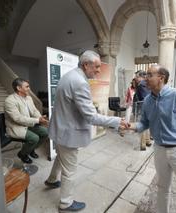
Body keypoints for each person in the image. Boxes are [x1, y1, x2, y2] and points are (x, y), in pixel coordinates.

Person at [45, 50, 128, 212]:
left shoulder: (70, 76)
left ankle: (51, 180)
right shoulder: (80, 82)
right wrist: (117, 121)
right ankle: (65, 203)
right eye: (96, 67)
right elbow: (91, 117)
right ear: (85, 65)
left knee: (60, 157)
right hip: (68, 132)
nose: (99, 70)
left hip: (60, 129)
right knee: (69, 170)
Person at [128, 65, 176, 213]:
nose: (146, 78)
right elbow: (144, 123)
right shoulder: (147, 101)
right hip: (159, 150)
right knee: (162, 188)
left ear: (161, 78)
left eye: (150, 75)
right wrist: (129, 126)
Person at [4, 78, 49, 164]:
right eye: (27, 86)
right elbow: (18, 119)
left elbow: (34, 111)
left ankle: (31, 149)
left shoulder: (29, 98)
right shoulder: (9, 101)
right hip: (17, 127)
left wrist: (40, 118)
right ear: (19, 88)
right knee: (34, 138)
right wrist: (37, 120)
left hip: (28, 124)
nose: (29, 88)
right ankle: (22, 154)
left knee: (45, 132)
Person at [133, 70, 151, 150]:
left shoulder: (141, 85)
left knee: (142, 125)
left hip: (142, 107)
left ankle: (143, 145)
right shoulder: (147, 84)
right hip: (148, 107)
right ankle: (148, 141)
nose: (136, 78)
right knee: (147, 125)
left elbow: (144, 98)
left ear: (141, 77)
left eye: (137, 76)